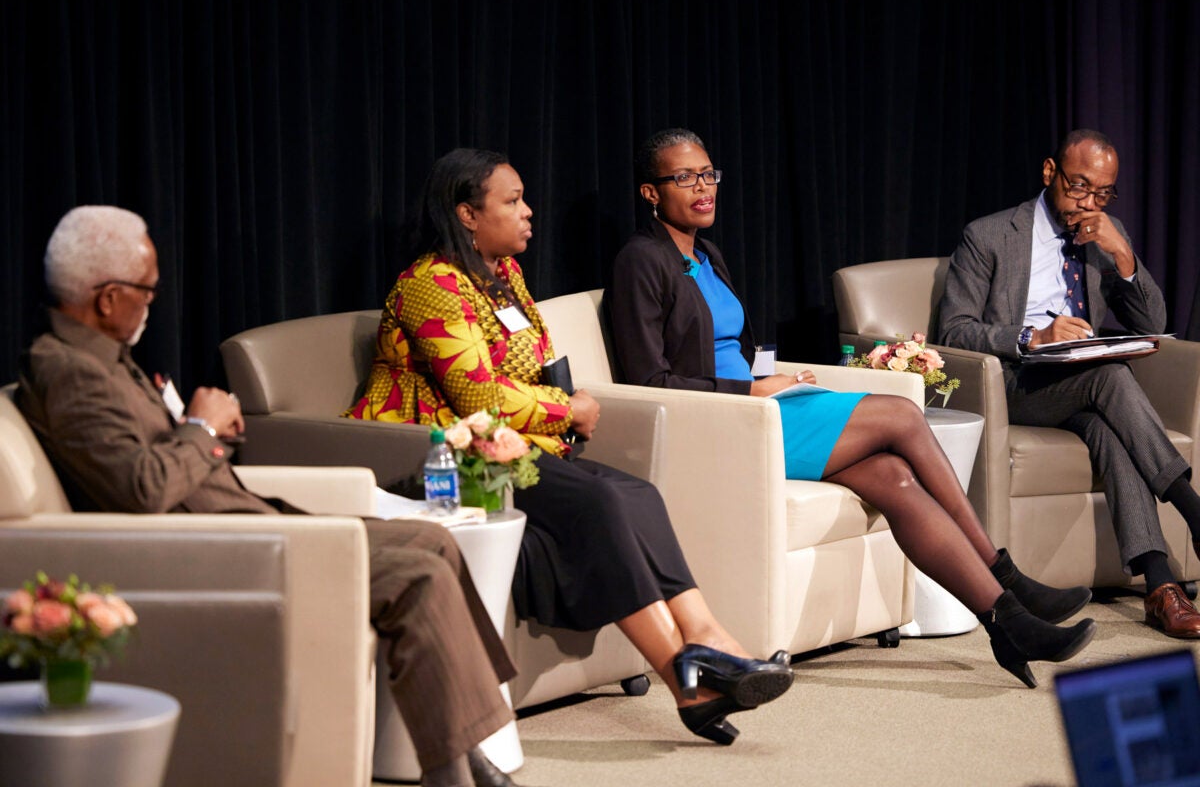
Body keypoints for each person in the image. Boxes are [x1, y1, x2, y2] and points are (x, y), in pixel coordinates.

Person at [17, 206, 521, 787]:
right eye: (147, 292)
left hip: (245, 521)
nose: (152, 305)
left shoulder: (99, 360)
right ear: (106, 298)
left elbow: (153, 463)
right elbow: (143, 489)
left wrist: (203, 434)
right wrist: (200, 431)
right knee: (417, 574)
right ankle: (450, 772)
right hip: (225, 550)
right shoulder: (67, 371)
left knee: (432, 538)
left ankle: (472, 747)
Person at [606, 128, 1097, 689]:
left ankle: (1005, 623)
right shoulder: (639, 261)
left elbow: (727, 351)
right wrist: (751, 395)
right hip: (727, 428)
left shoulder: (707, 254)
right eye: (684, 177)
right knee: (902, 415)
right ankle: (1003, 572)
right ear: (650, 192)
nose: (703, 187)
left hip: (763, 408)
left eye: (709, 174)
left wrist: (773, 379)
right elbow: (651, 379)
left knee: (894, 478)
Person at [345, 147, 793, 746]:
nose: (529, 212)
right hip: (444, 455)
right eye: (512, 201)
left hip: (509, 443)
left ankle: (707, 641)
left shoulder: (502, 276)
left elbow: (531, 364)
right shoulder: (431, 285)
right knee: (602, 504)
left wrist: (563, 402)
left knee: (636, 494)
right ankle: (689, 676)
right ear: (467, 214)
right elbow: (479, 397)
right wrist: (567, 410)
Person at [937, 128, 1200, 639]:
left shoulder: (1105, 233)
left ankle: (1161, 584)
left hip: (1079, 387)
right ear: (1049, 173)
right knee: (1109, 375)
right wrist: (1034, 336)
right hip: (1016, 382)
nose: (1088, 201)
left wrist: (1122, 254)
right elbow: (955, 328)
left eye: (1102, 193)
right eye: (1079, 187)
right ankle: (1192, 508)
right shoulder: (989, 235)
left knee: (1109, 431)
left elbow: (1154, 319)